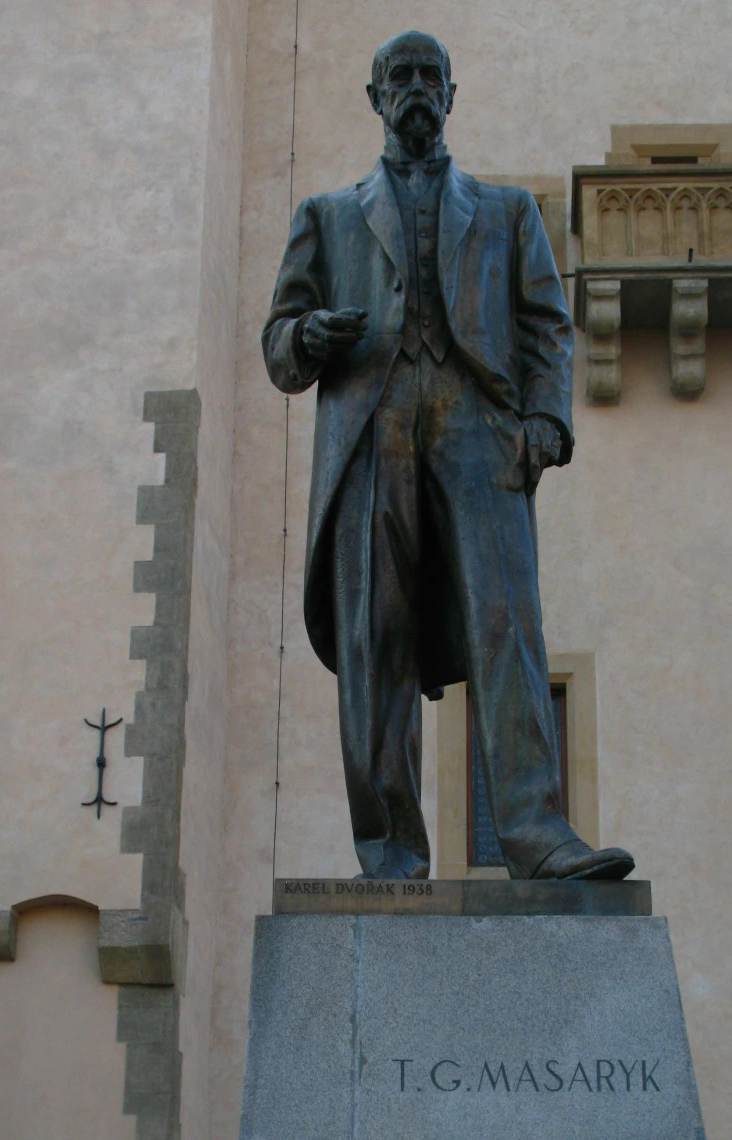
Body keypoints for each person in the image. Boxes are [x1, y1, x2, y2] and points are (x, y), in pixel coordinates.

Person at [263, 30, 634, 882]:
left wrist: (546, 417)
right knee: (374, 637)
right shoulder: (326, 217)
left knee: (509, 626)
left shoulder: (508, 212)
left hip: (480, 428)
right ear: (376, 97)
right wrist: (309, 335)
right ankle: (390, 852)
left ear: (452, 95)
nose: (417, 88)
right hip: (370, 432)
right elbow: (278, 343)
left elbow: (547, 324)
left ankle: (536, 831)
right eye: (401, 77)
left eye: (431, 76)